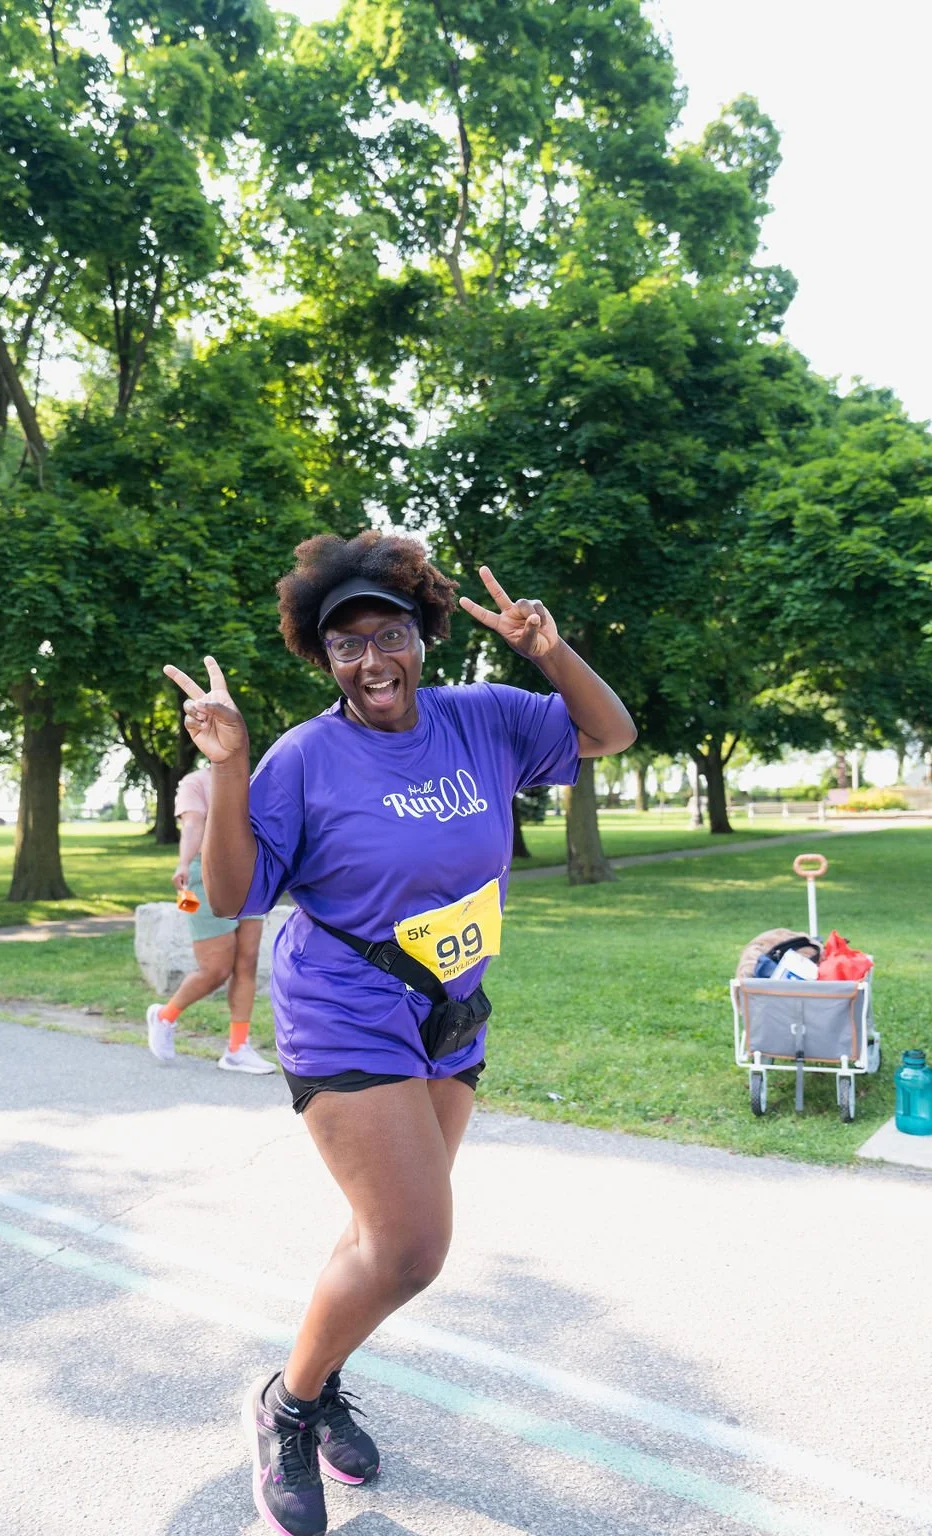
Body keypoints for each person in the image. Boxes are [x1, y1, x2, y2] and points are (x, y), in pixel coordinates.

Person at [164, 532, 636, 1536]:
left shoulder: (486, 719)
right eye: (345, 647)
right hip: (344, 1010)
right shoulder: (300, 757)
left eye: (389, 635)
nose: (371, 662)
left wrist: (546, 650)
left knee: (376, 1234)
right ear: (321, 657)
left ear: (423, 634)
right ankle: (286, 1407)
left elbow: (609, 734)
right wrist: (234, 766)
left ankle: (318, 1378)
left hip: (450, 1008)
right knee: (414, 1247)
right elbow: (233, 892)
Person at [145, 760, 275, 1075]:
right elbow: (193, 825)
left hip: (251, 872)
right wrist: (182, 863)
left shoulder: (252, 779)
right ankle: (165, 1016)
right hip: (207, 873)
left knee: (247, 963)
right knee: (215, 968)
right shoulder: (195, 782)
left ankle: (237, 1049)